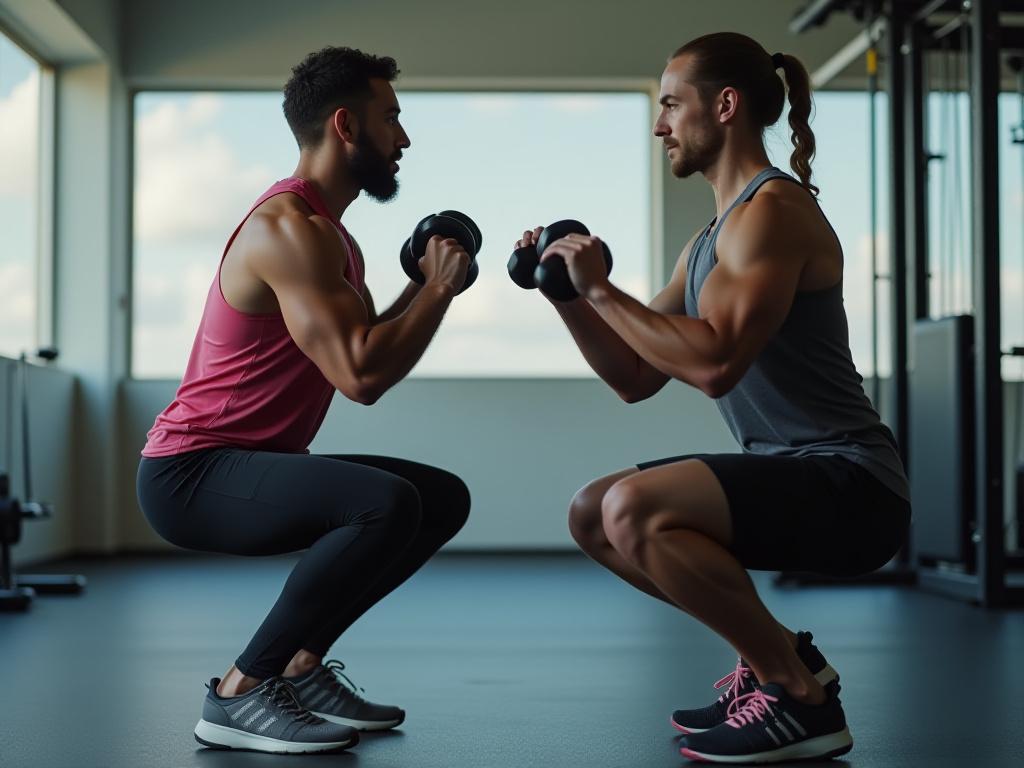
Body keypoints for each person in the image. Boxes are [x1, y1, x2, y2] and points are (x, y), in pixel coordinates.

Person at [514, 32, 910, 764]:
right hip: (797, 474)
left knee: (633, 507)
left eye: (670, 104)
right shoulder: (706, 242)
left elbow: (717, 363)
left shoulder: (773, 213)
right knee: (591, 512)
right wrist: (569, 294)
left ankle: (800, 699)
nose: (659, 124)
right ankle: (777, 662)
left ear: (725, 106)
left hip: (853, 484)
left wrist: (603, 286)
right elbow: (635, 376)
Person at [136, 46, 472, 755]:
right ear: (346, 126)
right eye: (392, 120)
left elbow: (367, 345)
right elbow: (362, 377)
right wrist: (437, 291)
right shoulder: (289, 230)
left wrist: (420, 288)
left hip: (241, 461)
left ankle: (299, 664)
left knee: (438, 497)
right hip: (191, 473)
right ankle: (240, 691)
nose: (403, 139)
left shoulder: (333, 238)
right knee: (385, 502)